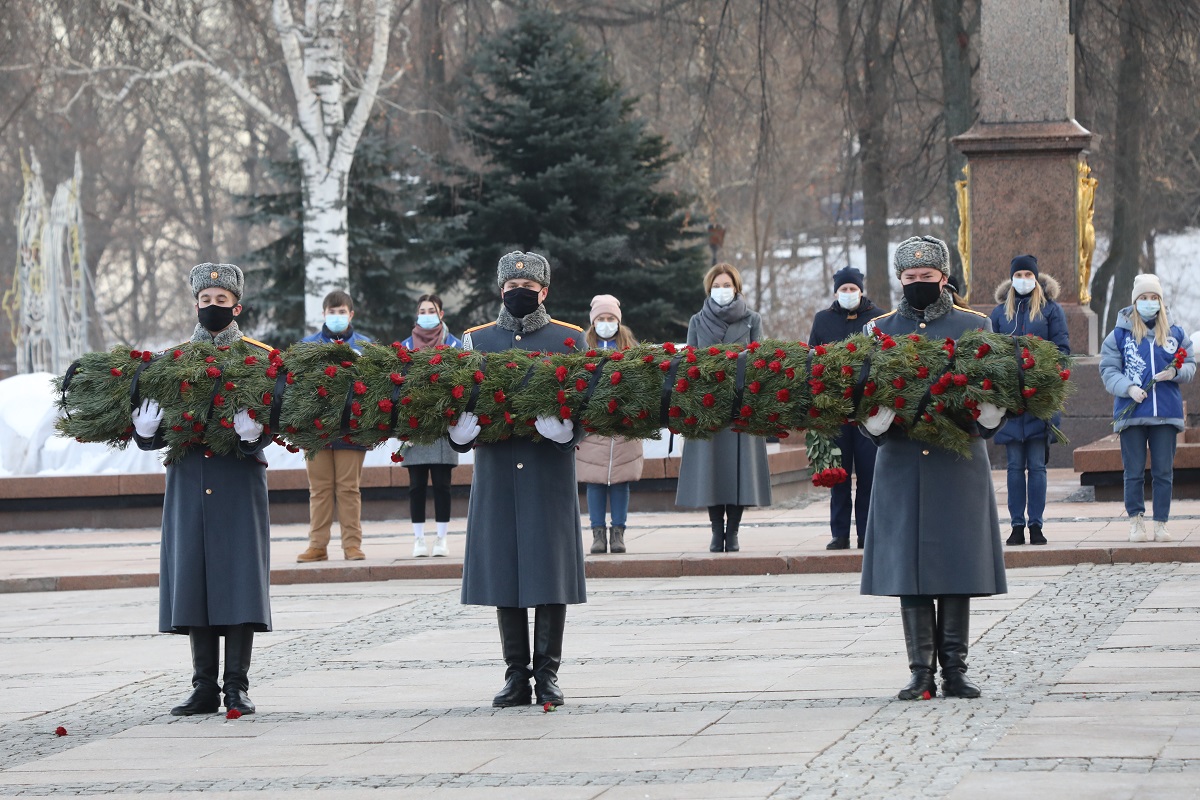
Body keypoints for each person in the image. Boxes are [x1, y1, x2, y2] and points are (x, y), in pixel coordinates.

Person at [860, 236, 1007, 701]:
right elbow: (860, 389)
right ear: (899, 280)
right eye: (910, 279)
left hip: (958, 457)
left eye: (927, 278)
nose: (918, 285)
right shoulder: (878, 329)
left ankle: (956, 671)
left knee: (957, 564)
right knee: (910, 566)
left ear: (944, 277)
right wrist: (874, 419)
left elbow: (996, 385)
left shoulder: (975, 324)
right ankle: (921, 671)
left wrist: (989, 410)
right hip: (901, 458)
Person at [132, 262, 273, 716]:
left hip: (237, 478)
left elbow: (282, 411)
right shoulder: (172, 360)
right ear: (196, 304)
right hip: (190, 478)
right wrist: (145, 431)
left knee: (238, 580)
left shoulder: (260, 356)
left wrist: (256, 433)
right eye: (206, 299)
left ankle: (237, 686)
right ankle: (203, 686)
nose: (214, 306)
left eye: (222, 299)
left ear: (237, 305)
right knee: (194, 578)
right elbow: (157, 421)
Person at [447, 251, 586, 708]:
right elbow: (457, 397)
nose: (518, 293)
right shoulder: (476, 341)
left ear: (544, 292)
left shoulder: (569, 340)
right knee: (504, 572)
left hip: (547, 471)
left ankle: (547, 674)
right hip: (498, 469)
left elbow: (589, 400)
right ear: (500, 291)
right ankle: (515, 675)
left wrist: (569, 431)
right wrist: (459, 435)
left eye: (528, 287)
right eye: (511, 288)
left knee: (550, 572)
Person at [675, 263, 772, 553]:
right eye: (716, 286)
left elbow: (760, 360)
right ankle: (717, 531)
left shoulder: (752, 319)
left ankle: (734, 532)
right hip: (708, 405)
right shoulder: (697, 321)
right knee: (712, 470)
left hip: (741, 404)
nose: (721, 290)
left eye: (726, 285)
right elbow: (688, 364)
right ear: (708, 289)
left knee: (739, 471)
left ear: (736, 287)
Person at [1100, 273, 1195, 543]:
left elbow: (1190, 364)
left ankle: (1161, 523)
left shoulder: (1175, 333)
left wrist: (1175, 372)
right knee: (1134, 471)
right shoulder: (1120, 335)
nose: (1149, 302)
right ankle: (1136, 521)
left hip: (1166, 413)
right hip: (1133, 415)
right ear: (1135, 301)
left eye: (1154, 298)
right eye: (1144, 298)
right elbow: (1108, 369)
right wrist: (1128, 388)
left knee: (1164, 471)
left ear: (1161, 301)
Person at [987, 255, 1070, 547]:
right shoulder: (999, 313)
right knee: (1013, 467)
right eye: (1018, 274)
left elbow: (1061, 350)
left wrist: (1043, 375)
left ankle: (1036, 525)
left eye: (1027, 274)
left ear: (1036, 277)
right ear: (1012, 278)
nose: (1023, 278)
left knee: (1036, 466)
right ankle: (1016, 525)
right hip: (1011, 402)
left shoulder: (1051, 311)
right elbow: (990, 352)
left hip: (1039, 401)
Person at [806, 266, 885, 550]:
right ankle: (839, 533)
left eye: (852, 289)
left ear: (861, 291)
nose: (848, 294)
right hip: (835, 410)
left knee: (868, 476)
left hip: (867, 411)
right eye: (843, 289)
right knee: (838, 476)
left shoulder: (878, 318)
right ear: (835, 292)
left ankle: (867, 532)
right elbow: (811, 358)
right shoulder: (823, 320)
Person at [296, 290, 373, 562]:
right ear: (324, 314)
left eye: (342, 312)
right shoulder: (307, 346)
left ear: (351, 314)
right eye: (332, 311)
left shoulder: (365, 347)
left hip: (351, 428)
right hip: (316, 430)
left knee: (348, 488)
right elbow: (297, 388)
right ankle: (317, 545)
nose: (337, 316)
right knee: (319, 489)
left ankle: (352, 545)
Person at [576, 294, 644, 555]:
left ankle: (618, 533)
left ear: (618, 320)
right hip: (593, 423)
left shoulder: (630, 346)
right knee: (594, 480)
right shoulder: (584, 346)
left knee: (620, 480)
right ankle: (597, 534)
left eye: (611, 318)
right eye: (601, 319)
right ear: (593, 322)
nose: (606, 323)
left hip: (623, 424)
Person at [399, 294, 464, 557]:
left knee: (442, 485)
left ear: (441, 314)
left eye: (431, 310)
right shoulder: (404, 347)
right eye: (422, 310)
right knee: (416, 486)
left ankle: (441, 538)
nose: (426, 314)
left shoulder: (454, 345)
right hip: (414, 426)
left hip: (443, 425)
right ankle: (418, 539)